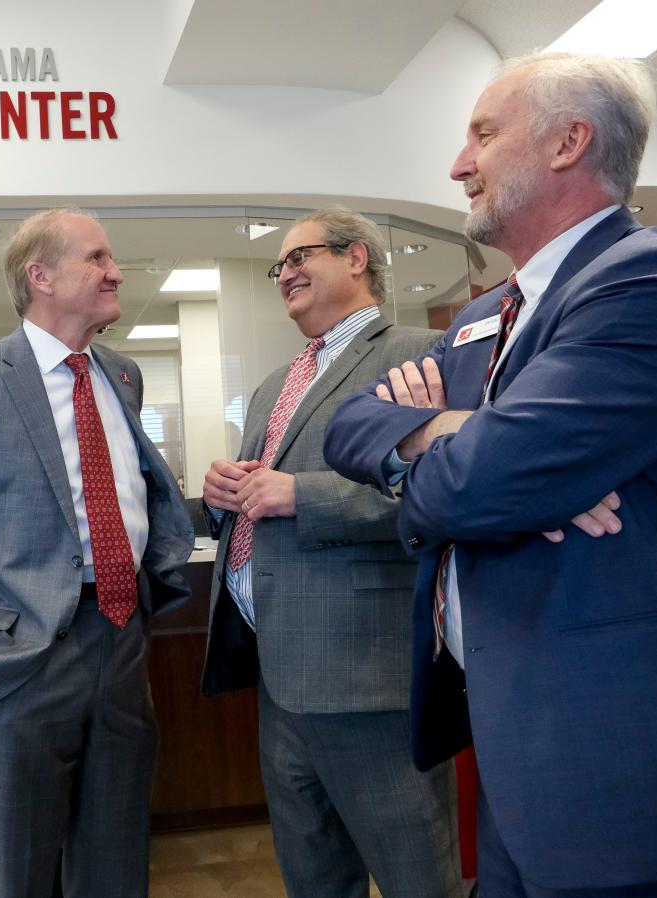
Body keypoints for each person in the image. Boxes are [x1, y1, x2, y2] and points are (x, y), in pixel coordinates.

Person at [323, 53, 657, 897]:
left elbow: (476, 488)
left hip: (608, 763)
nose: (458, 164)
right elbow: (350, 428)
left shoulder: (649, 280)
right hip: (504, 736)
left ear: (569, 142)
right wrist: (481, 438)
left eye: (484, 134)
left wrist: (480, 459)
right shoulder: (486, 314)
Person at [0, 208, 193, 898]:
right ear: (41, 276)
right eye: (96, 258)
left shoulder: (121, 375)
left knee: (115, 868)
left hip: (120, 644)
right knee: (17, 877)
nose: (116, 272)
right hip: (14, 664)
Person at [201, 207, 457, 898]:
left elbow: (442, 496)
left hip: (369, 681)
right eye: (277, 265)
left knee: (416, 880)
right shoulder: (272, 385)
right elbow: (262, 492)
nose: (284, 273)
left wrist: (301, 496)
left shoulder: (417, 356)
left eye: (299, 257)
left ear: (356, 259)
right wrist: (226, 493)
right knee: (314, 882)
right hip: (279, 681)